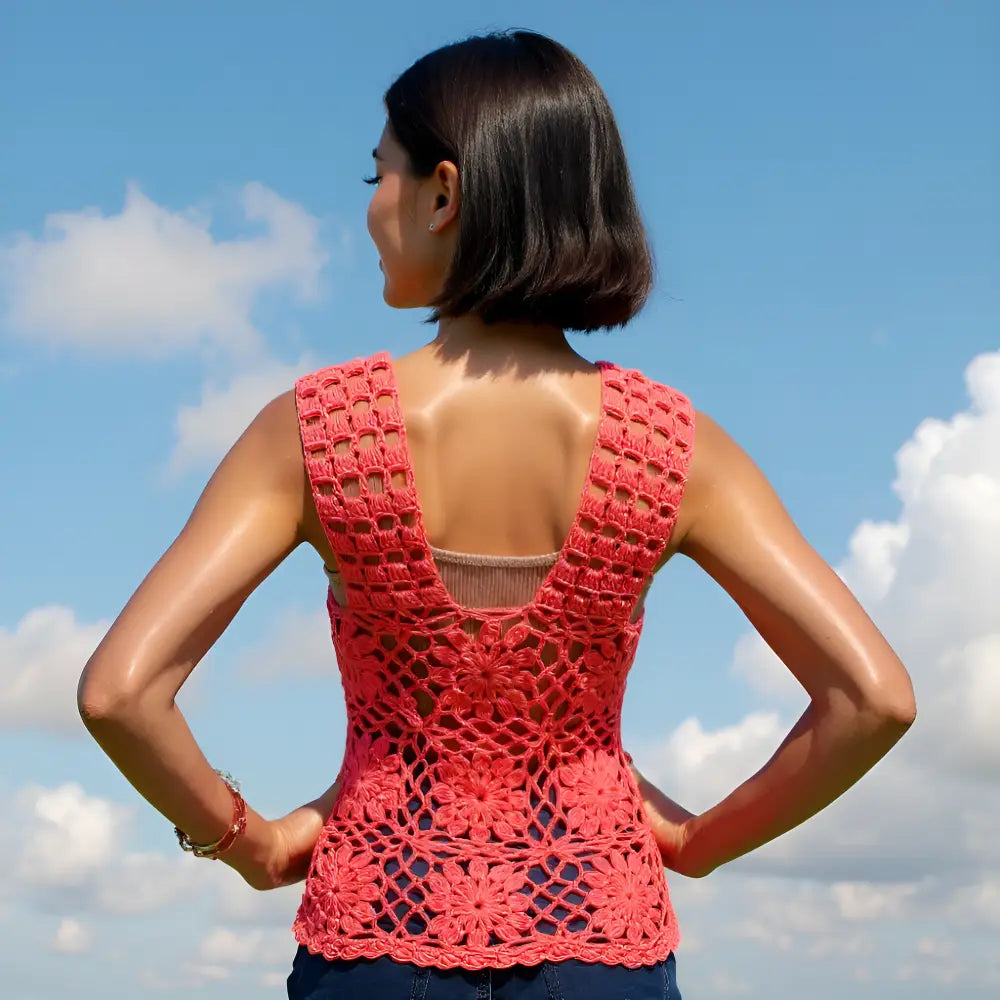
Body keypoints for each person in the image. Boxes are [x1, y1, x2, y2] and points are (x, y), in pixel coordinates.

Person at [77, 29, 917, 1000]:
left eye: (375, 175)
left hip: (376, 932)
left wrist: (248, 842)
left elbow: (119, 693)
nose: (369, 212)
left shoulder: (319, 430)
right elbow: (874, 698)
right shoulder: (674, 446)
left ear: (443, 193)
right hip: (599, 929)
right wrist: (692, 841)